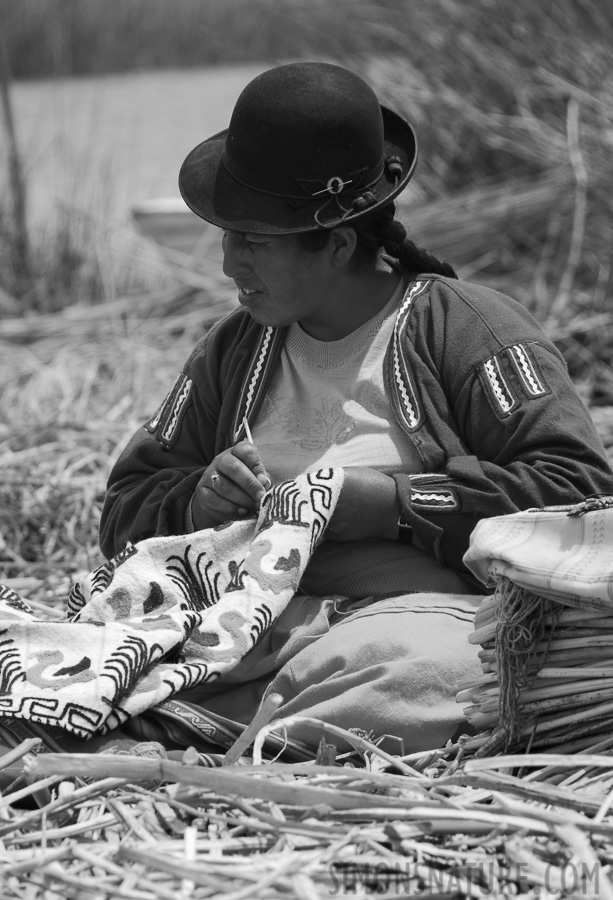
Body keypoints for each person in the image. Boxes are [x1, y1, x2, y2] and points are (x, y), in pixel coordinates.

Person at [100, 62, 613, 752]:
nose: (228, 265)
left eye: (252, 240)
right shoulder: (233, 352)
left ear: (337, 244)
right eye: (228, 237)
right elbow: (126, 504)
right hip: (242, 625)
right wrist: (198, 501)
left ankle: (227, 730)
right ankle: (257, 726)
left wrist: (390, 503)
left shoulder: (464, 329)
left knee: (427, 672)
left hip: (398, 625)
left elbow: (578, 495)